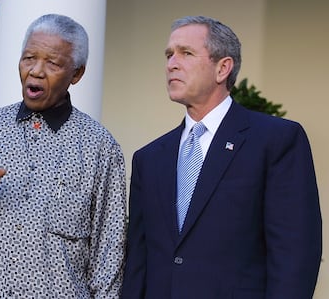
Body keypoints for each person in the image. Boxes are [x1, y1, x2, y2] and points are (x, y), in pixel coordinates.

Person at [122, 15, 322, 299]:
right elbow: (139, 262)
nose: (171, 64)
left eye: (186, 53)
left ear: (222, 68)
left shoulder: (276, 140)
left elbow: (295, 253)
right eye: (169, 54)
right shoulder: (149, 158)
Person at [0, 14, 127, 298]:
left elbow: (109, 257)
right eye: (29, 58)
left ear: (77, 73)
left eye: (53, 63)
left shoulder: (100, 147)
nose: (36, 71)